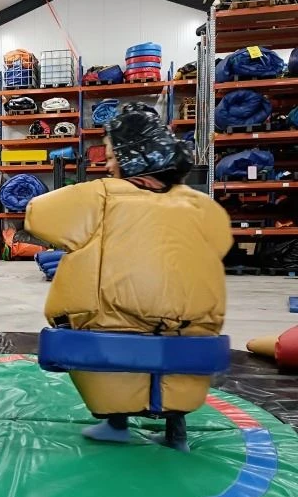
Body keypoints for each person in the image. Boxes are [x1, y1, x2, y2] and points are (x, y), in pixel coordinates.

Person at [25, 103, 233, 452]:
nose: (107, 165)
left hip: (109, 338)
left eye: (111, 156)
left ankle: (116, 423)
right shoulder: (202, 206)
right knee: (176, 367)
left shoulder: (103, 196)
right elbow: (222, 240)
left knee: (113, 354)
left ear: (133, 156)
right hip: (190, 342)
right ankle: (175, 434)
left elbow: (37, 215)